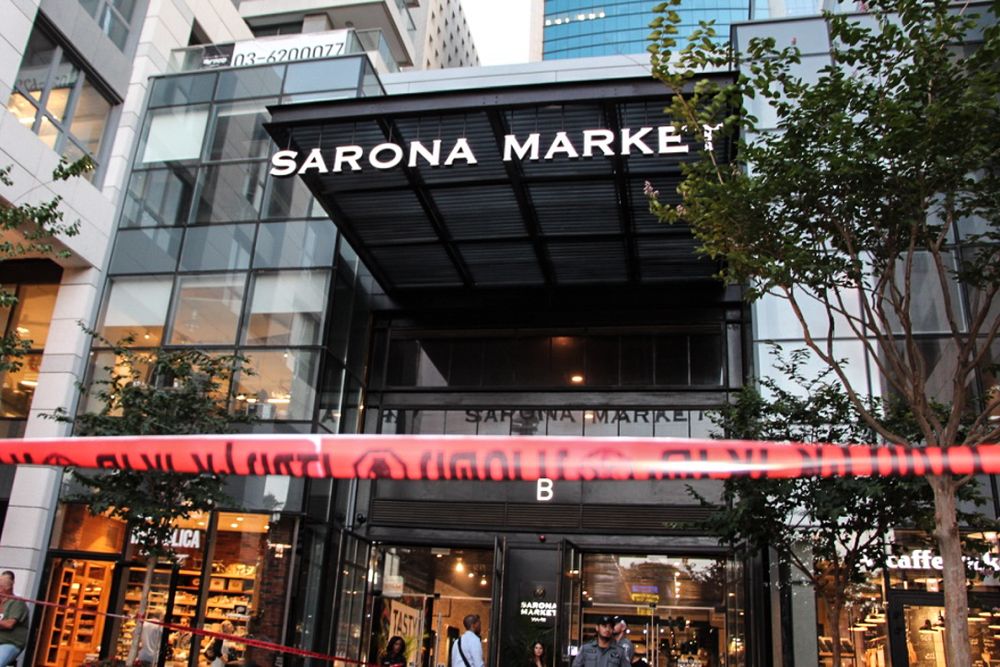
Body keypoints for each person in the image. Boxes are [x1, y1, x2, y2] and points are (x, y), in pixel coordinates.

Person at [0, 571, 28, 667]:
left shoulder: (17, 602)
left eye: (1, 587)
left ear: (8, 588)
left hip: (9, 643)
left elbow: (9, 624)